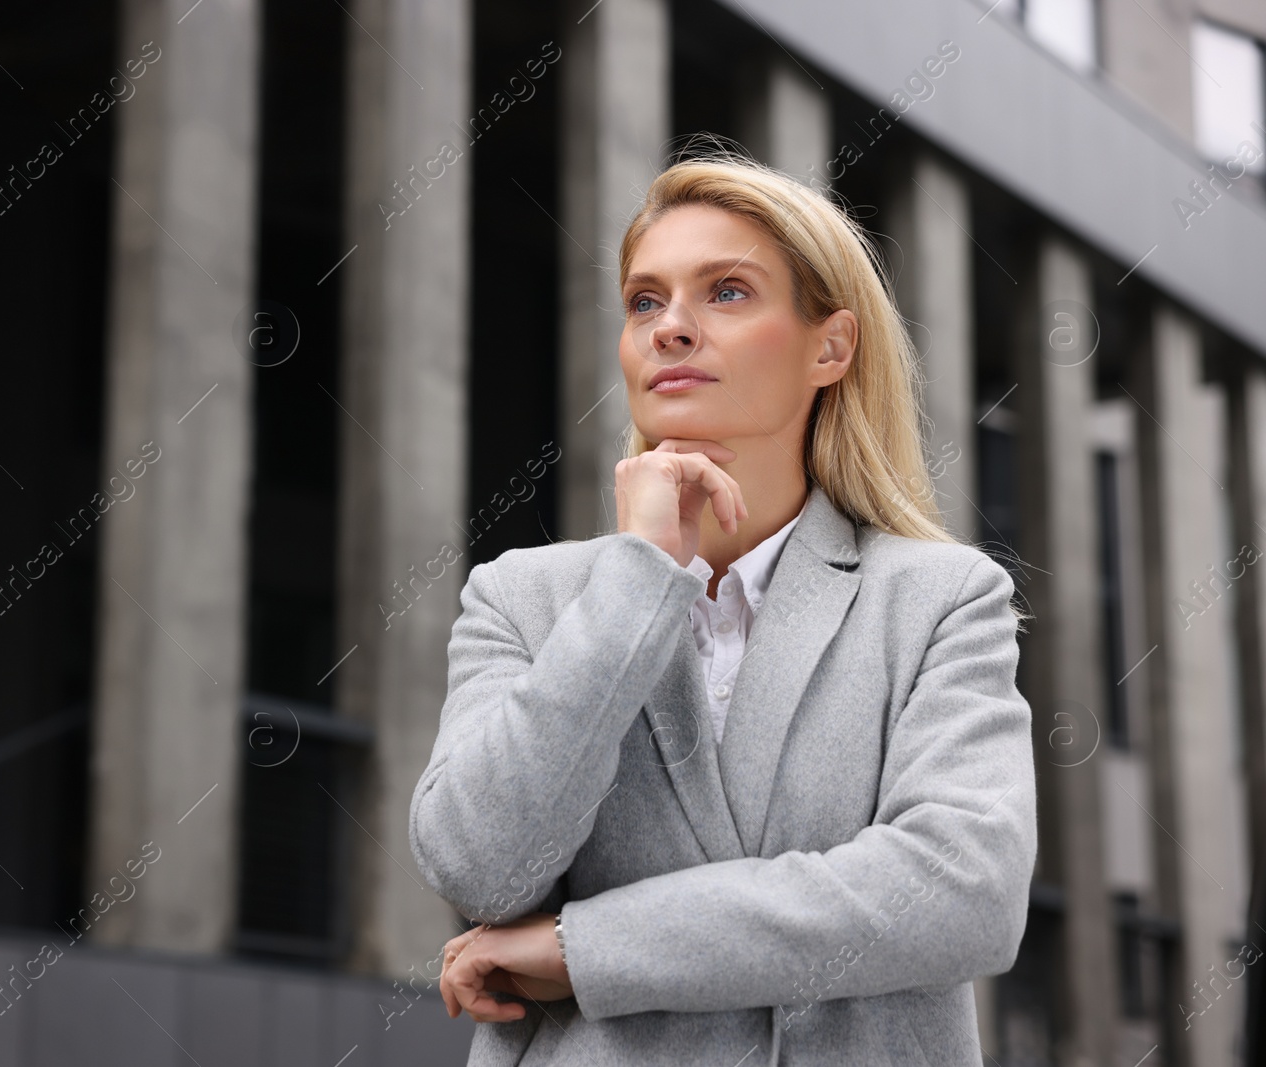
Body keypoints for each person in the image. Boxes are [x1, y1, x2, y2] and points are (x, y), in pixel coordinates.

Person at [408, 152, 1037, 1066]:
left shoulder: (941, 599)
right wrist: (638, 580)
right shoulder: (525, 596)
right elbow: (480, 865)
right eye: (644, 301)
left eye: (728, 292)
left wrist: (587, 949)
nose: (671, 328)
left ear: (831, 347)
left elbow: (961, 893)